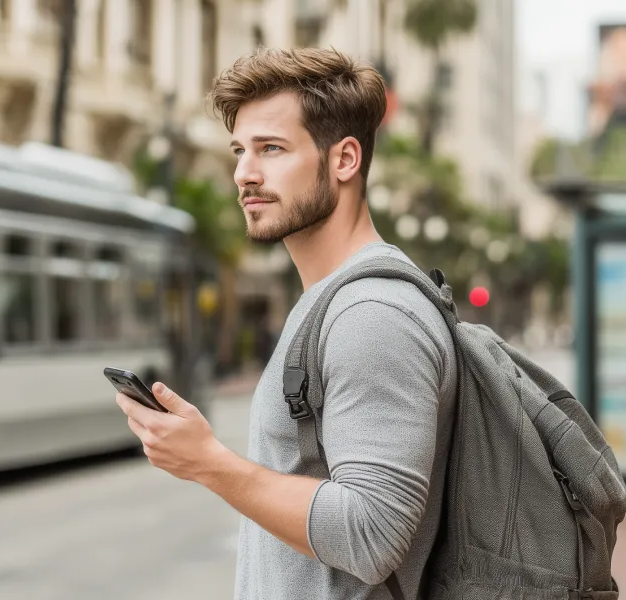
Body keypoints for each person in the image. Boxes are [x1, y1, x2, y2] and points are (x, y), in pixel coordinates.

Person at [115, 47, 457, 600]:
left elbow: (373, 533)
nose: (243, 173)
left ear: (344, 160)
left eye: (271, 149)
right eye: (239, 150)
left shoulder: (372, 315)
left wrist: (210, 463)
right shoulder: (329, 300)